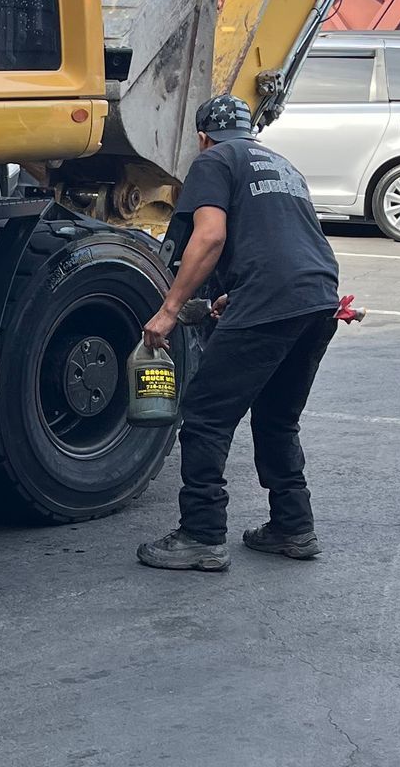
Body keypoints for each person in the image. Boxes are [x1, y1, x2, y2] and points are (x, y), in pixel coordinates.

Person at [136, 92, 344, 571]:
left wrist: (169, 309)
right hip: (317, 296)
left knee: (207, 417)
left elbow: (209, 236)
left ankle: (202, 536)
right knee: (277, 418)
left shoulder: (213, 161)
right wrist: (242, 291)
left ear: (203, 136)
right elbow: (283, 239)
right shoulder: (282, 165)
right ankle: (293, 527)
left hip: (274, 298)